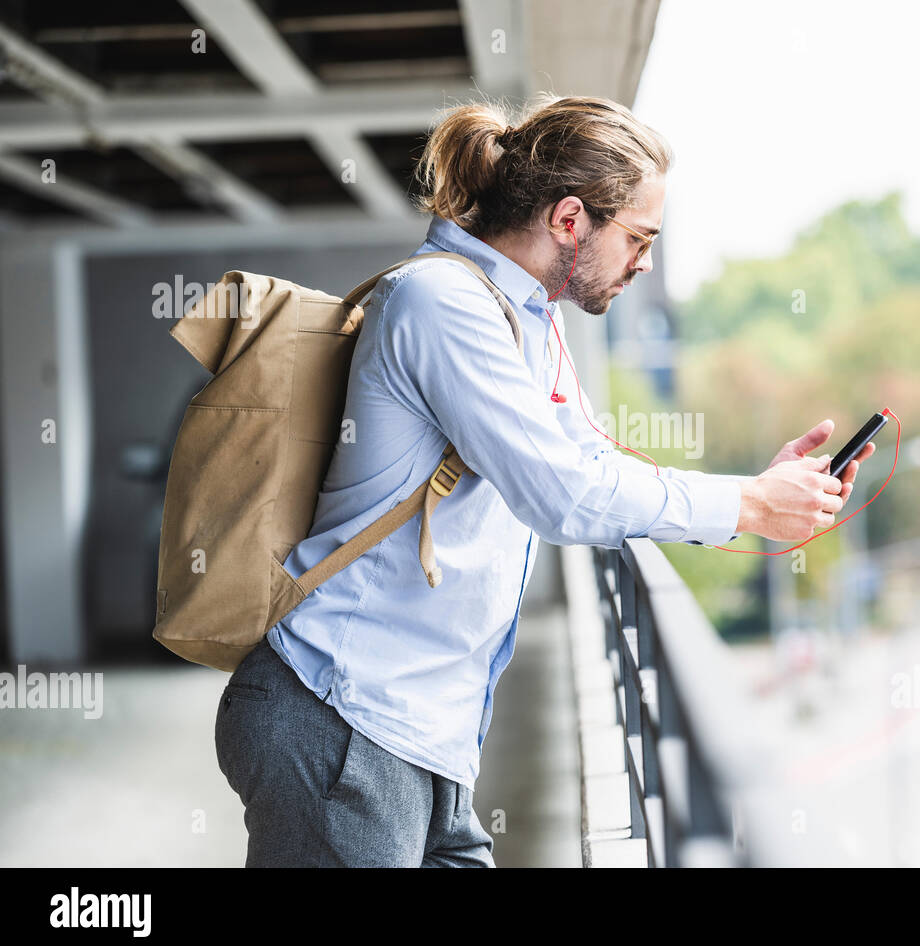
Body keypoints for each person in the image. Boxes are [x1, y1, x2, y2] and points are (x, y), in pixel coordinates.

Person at [214, 94, 876, 867]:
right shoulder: (441, 303)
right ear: (570, 220)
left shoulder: (528, 317)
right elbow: (562, 494)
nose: (647, 262)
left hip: (422, 730)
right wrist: (751, 505)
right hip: (343, 720)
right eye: (639, 237)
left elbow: (592, 464)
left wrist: (753, 489)